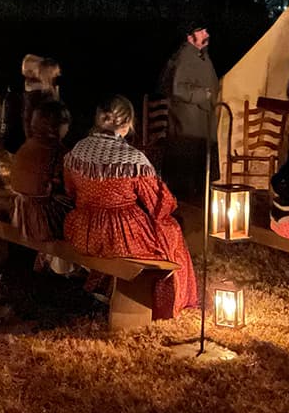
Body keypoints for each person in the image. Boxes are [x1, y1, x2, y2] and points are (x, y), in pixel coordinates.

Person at [63, 94, 198, 319]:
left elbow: (71, 190)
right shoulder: (133, 159)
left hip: (82, 229)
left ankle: (103, 287)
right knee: (170, 231)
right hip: (119, 235)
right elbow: (159, 203)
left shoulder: (79, 149)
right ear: (126, 125)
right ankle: (168, 302)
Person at [160, 22, 218, 202]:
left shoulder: (201, 56)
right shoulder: (184, 57)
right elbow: (177, 88)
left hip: (200, 120)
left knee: (198, 161)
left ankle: (197, 195)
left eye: (205, 29)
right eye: (201, 31)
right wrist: (202, 94)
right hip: (188, 121)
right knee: (186, 163)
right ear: (189, 37)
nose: (206, 33)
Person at [10, 98, 73, 250]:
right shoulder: (57, 152)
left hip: (19, 214)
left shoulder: (27, 146)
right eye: (66, 123)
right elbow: (70, 188)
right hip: (43, 219)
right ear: (57, 125)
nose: (68, 128)